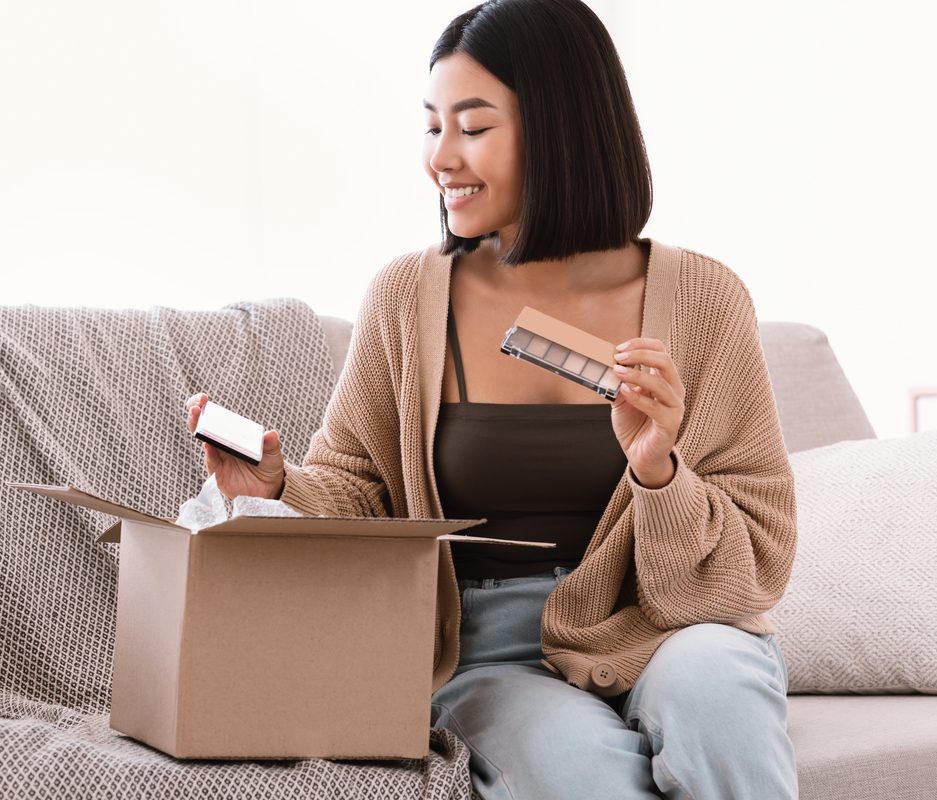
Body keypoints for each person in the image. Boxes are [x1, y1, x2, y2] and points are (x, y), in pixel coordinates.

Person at [185, 0, 799, 796]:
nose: (440, 158)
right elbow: (362, 492)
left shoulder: (706, 301)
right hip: (488, 651)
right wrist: (277, 489)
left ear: (563, 130)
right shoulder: (407, 298)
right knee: (581, 773)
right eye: (431, 126)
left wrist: (659, 472)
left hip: (672, 624)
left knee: (719, 696)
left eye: (472, 127)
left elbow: (757, 559)